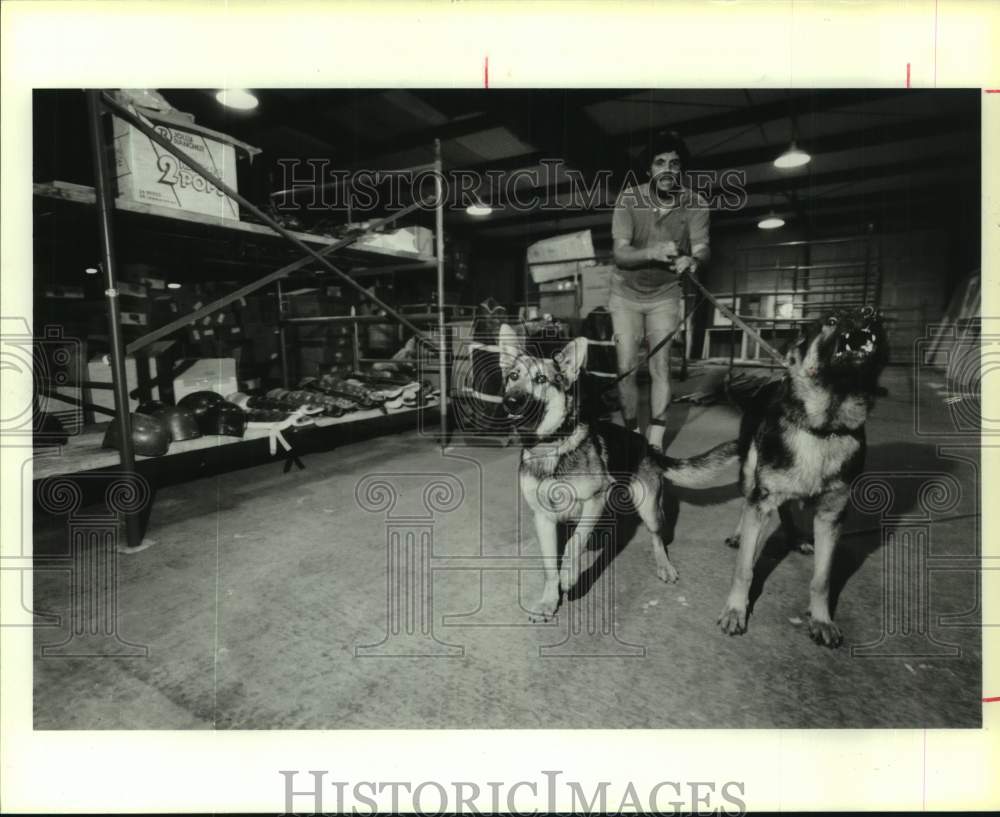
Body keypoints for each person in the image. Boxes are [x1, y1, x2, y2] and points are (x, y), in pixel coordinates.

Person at [609, 130, 710, 451]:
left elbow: (703, 247)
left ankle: (654, 440)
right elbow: (620, 254)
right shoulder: (628, 200)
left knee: (660, 365)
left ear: (681, 170)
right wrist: (653, 252)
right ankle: (630, 434)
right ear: (649, 170)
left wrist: (692, 260)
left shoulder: (695, 203)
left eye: (675, 164)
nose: (668, 170)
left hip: (665, 293)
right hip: (625, 294)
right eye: (660, 163)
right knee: (626, 367)